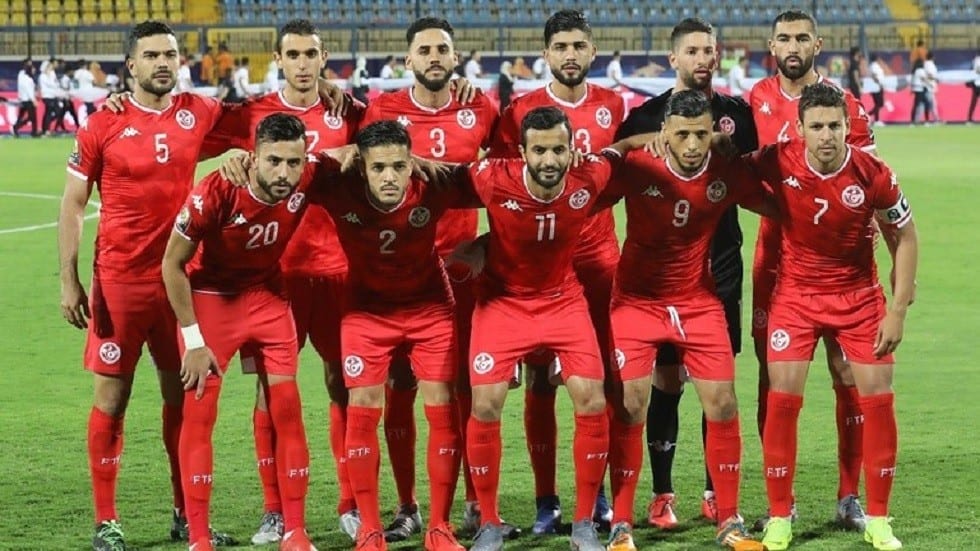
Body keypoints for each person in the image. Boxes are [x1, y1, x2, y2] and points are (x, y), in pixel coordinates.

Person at [57, 20, 231, 551]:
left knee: (183, 399)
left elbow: (264, 120)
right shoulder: (102, 123)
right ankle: (106, 522)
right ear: (130, 65)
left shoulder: (199, 112)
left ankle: (185, 515)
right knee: (113, 398)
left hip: (180, 284)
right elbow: (74, 203)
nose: (163, 63)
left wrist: (328, 92)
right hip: (119, 283)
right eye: (151, 55)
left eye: (170, 54)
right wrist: (69, 279)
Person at [198, 18, 365, 545]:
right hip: (274, 279)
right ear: (278, 60)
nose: (302, 63)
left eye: (310, 54)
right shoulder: (252, 114)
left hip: (338, 269)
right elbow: (190, 144)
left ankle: (350, 501)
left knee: (344, 383)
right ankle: (275, 511)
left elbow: (388, 144)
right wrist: (228, 154)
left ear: (323, 57)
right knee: (271, 393)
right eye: (292, 55)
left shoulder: (349, 112)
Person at [461, 106, 647, 551]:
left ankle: (583, 524)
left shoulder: (589, 175)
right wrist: (478, 245)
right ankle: (489, 523)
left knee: (593, 398)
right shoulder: (491, 177)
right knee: (485, 403)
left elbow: (622, 149)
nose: (549, 160)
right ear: (522, 153)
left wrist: (657, 138)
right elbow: (440, 179)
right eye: (539, 150)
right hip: (503, 302)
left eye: (559, 150)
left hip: (563, 300)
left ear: (572, 150)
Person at [752, 82, 918, 551]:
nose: (826, 135)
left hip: (859, 298)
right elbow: (729, 176)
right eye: (817, 126)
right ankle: (780, 516)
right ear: (800, 129)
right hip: (796, 297)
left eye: (834, 126)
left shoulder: (873, 172)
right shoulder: (777, 159)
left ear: (849, 127)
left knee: (877, 395)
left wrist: (897, 310)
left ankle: (878, 519)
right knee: (782, 396)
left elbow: (906, 235)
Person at [602, 89, 769, 551]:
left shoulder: (726, 170)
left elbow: (779, 203)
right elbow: (581, 195)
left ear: (714, 132)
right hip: (636, 302)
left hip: (697, 301)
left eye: (701, 134)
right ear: (665, 133)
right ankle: (621, 523)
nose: (693, 145)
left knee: (723, 403)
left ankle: (729, 520)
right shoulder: (638, 168)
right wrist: (629, 145)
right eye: (682, 135)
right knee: (631, 404)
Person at [358, 16, 499, 542]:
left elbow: (510, 178)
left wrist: (488, 242)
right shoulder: (383, 110)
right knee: (398, 388)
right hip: (398, 274)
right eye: (425, 50)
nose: (434, 57)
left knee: (462, 388)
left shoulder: (481, 107)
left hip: (462, 274)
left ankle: (471, 501)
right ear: (408, 59)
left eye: (443, 49)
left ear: (456, 56)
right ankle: (407, 506)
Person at [305, 120, 470, 551]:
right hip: (367, 313)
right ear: (361, 166)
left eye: (399, 166)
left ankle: (439, 527)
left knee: (442, 410)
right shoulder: (337, 185)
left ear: (412, 163)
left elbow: (504, 187)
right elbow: (282, 170)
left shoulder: (433, 184)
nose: (390, 177)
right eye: (378, 168)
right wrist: (330, 154)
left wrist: (487, 244)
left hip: (430, 308)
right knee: (361, 408)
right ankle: (370, 529)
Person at [488, 9, 623, 534]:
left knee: (600, 383)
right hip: (538, 269)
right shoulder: (518, 112)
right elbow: (502, 187)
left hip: (597, 261)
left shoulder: (613, 105)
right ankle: (547, 501)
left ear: (592, 51)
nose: (570, 54)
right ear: (546, 54)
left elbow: (626, 161)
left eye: (578, 45)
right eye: (560, 46)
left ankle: (599, 494)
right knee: (541, 382)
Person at [162, 113, 318, 551]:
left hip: (268, 297)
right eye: (274, 161)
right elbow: (172, 264)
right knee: (200, 415)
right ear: (252, 158)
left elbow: (348, 158)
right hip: (213, 301)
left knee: (287, 410)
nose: (284, 173)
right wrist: (194, 341)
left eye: (293, 162)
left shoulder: (309, 175)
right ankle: (198, 538)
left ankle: (295, 532)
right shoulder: (215, 191)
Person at [747, 9, 876, 533]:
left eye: (802, 37)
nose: (793, 46)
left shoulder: (846, 107)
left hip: (839, 266)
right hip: (774, 261)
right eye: (784, 38)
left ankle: (849, 496)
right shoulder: (755, 99)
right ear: (772, 45)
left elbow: (868, 181)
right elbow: (742, 172)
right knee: (774, 379)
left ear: (817, 44)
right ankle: (784, 501)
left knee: (847, 375)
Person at [13, 59, 39, 137]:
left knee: (23, 116)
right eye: (33, 69)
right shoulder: (28, 79)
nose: (34, 70)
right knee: (32, 117)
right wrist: (33, 100)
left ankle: (33, 131)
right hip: (28, 100)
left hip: (23, 99)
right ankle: (17, 126)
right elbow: (29, 90)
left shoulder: (24, 77)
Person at [39, 59, 64, 135]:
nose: (50, 68)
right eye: (48, 66)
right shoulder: (42, 76)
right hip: (47, 96)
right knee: (48, 113)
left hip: (54, 96)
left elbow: (56, 83)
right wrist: (55, 84)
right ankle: (46, 130)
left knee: (58, 112)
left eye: (50, 66)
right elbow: (51, 84)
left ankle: (46, 126)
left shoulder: (52, 73)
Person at [867, 54, 885, 125]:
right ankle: (873, 118)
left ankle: (873, 118)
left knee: (878, 104)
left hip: (876, 86)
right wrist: (879, 84)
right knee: (879, 103)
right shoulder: (874, 66)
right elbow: (874, 75)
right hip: (876, 87)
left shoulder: (873, 66)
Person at [910, 58, 928, 124]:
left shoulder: (915, 71)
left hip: (916, 89)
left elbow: (912, 81)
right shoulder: (921, 70)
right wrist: (930, 84)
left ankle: (913, 121)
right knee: (926, 105)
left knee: (916, 105)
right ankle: (926, 121)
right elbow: (923, 79)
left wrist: (912, 89)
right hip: (920, 89)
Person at [923, 51, 940, 122]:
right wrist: (935, 79)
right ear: (932, 57)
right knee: (932, 104)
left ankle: (935, 119)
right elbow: (929, 75)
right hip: (929, 87)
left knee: (931, 104)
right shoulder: (929, 65)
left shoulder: (926, 64)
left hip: (929, 86)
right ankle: (936, 119)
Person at [968, 49, 980, 122]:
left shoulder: (975, 60)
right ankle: (969, 118)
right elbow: (976, 70)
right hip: (977, 83)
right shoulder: (977, 60)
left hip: (976, 83)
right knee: (974, 102)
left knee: (973, 102)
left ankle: (969, 118)